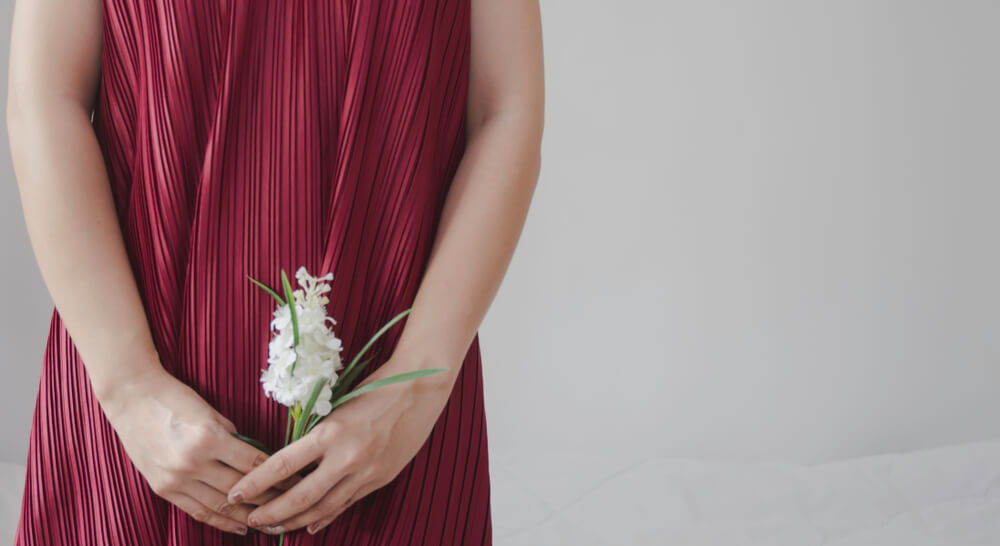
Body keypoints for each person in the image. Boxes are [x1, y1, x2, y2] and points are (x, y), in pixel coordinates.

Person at [7, 0, 544, 543]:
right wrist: (129, 386)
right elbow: (45, 99)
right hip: (140, 426)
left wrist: (420, 379)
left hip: (388, 427)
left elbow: (506, 110)